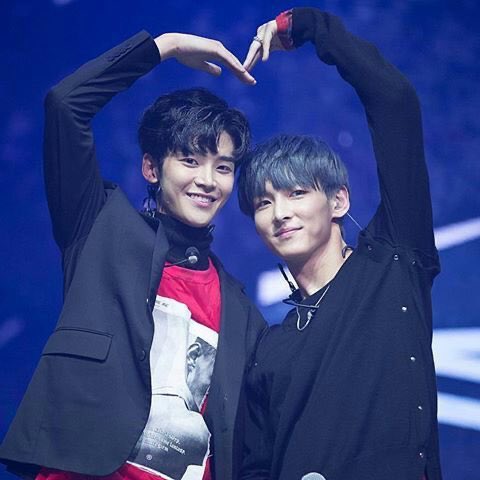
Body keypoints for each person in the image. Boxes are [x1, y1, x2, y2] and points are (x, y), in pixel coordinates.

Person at [0, 28, 266, 480]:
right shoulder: (100, 227)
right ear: (150, 167)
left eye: (222, 167)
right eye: (190, 160)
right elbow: (66, 105)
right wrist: (166, 46)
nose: (207, 180)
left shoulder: (239, 309)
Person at [237, 7, 441, 480]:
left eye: (296, 193)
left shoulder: (392, 262)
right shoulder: (270, 348)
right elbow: (255, 467)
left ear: (338, 200)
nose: (280, 213)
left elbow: (395, 103)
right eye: (264, 203)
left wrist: (307, 27)